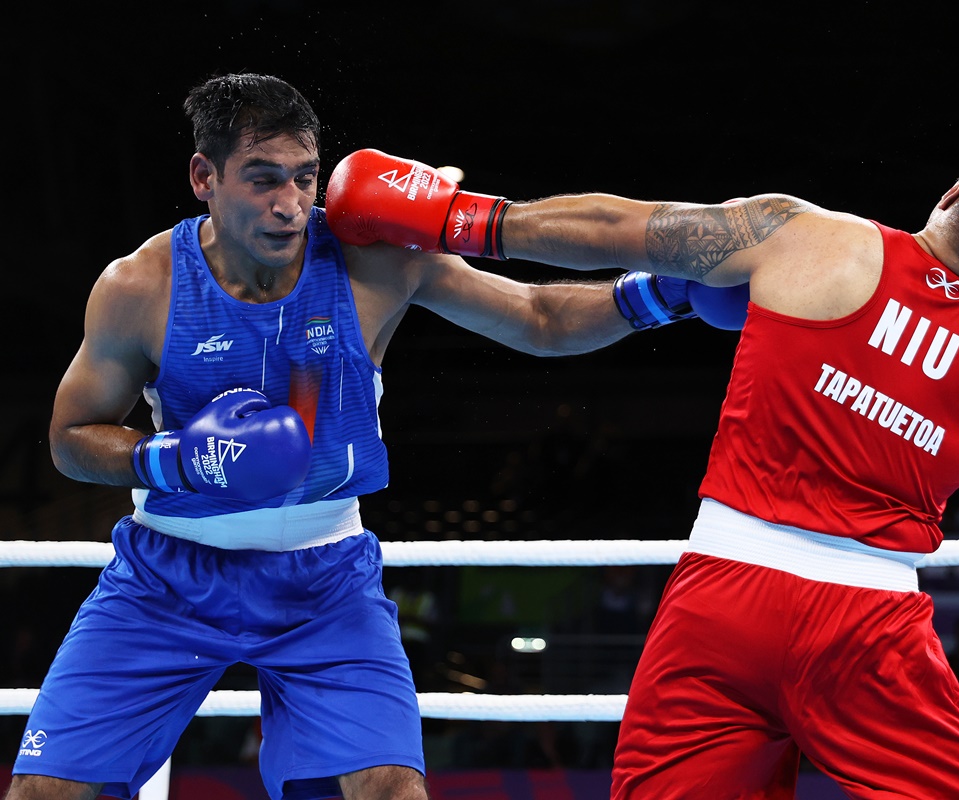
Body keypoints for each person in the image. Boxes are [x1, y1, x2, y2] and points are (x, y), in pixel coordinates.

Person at [9, 73, 746, 800]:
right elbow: (69, 439)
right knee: (42, 792)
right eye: (263, 180)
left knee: (391, 789)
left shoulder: (373, 259)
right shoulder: (141, 287)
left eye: (304, 178)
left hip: (325, 584)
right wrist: (172, 461)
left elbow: (540, 319)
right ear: (204, 175)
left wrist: (665, 291)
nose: (290, 205)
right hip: (165, 581)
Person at [323, 133, 959, 798]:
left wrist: (458, 218)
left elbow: (614, 227)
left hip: (723, 600)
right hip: (869, 627)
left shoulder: (808, 238)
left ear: (957, 188)